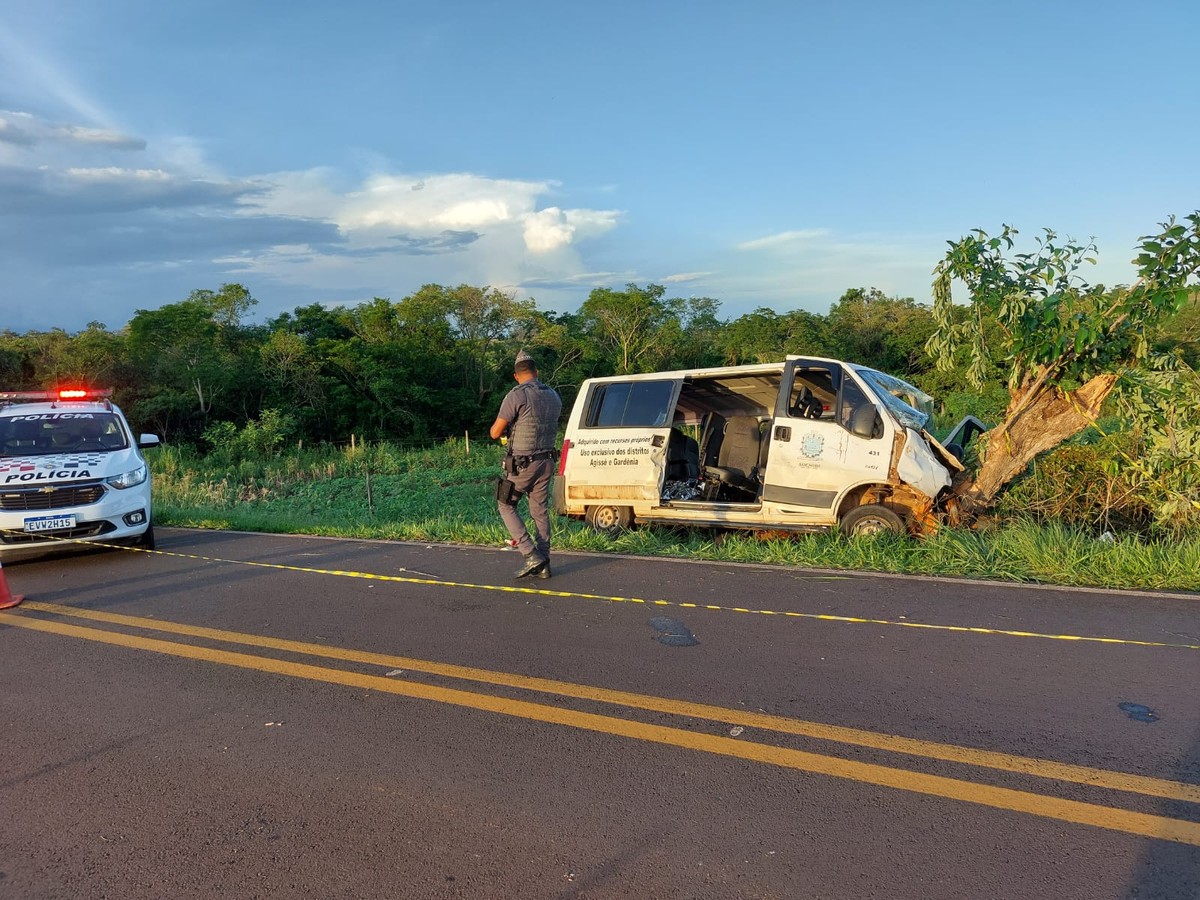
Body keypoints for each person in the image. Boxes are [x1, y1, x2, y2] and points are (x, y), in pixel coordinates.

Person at [489, 351, 563, 579]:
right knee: (539, 511)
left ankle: (530, 553)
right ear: (537, 372)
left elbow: (495, 432)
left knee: (505, 504)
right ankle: (544, 562)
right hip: (547, 461)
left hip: (523, 464)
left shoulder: (516, 395)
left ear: (515, 375)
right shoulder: (553, 395)